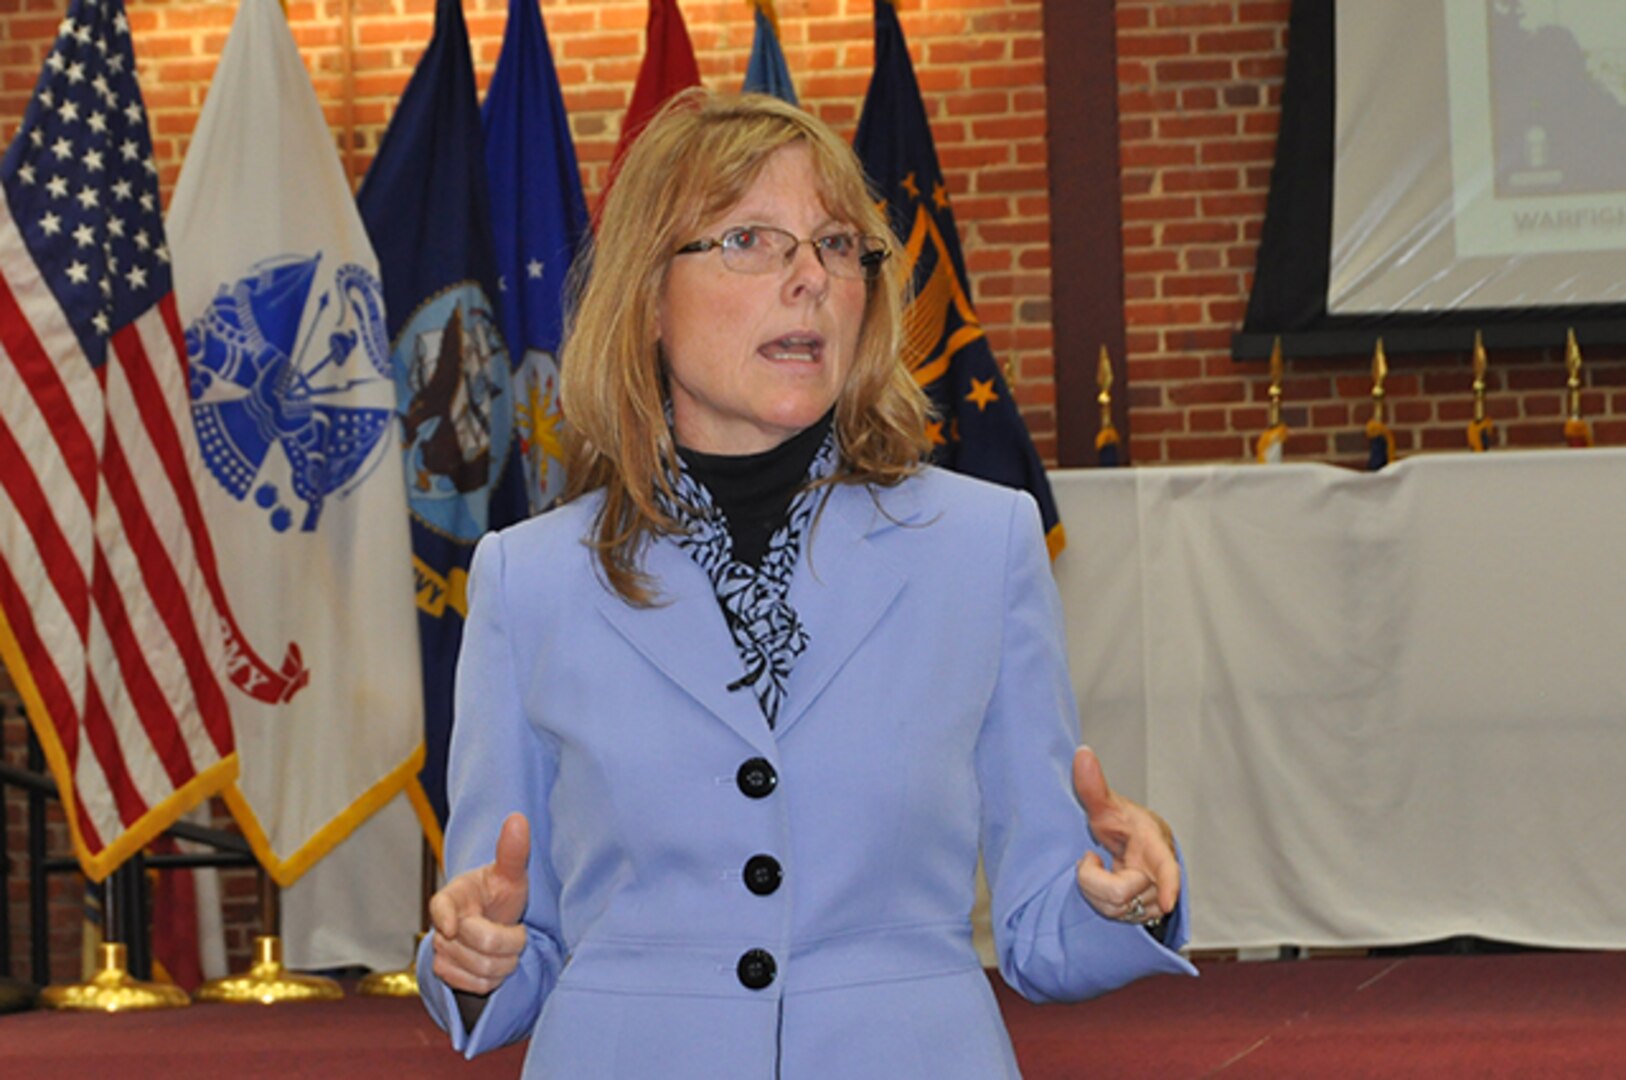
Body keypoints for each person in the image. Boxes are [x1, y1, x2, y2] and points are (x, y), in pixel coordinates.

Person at [416, 89, 1196, 1077]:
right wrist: (477, 957)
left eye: (836, 245)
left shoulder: (982, 545)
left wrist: (1124, 897)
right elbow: (506, 936)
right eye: (750, 239)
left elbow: (1043, 927)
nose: (810, 280)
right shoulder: (527, 582)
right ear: (648, 297)